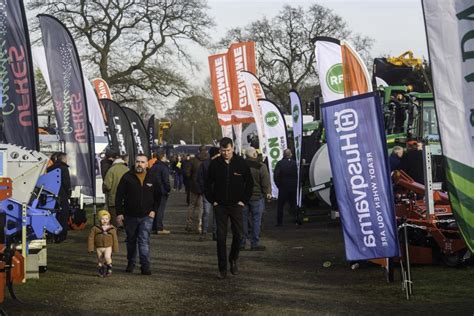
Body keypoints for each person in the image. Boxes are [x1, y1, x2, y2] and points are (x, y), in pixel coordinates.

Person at [205, 137, 253, 279]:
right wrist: (212, 200)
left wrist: (243, 200)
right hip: (220, 205)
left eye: (228, 150)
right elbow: (207, 184)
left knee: (239, 235)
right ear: (220, 150)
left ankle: (233, 258)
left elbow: (249, 183)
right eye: (223, 150)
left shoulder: (241, 163)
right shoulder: (215, 164)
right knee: (220, 237)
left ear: (233, 148)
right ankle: (222, 268)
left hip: (236, 205)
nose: (226, 153)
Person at [115, 154, 161, 275]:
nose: (139, 164)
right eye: (137, 162)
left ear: (147, 164)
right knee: (131, 241)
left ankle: (145, 266)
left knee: (144, 240)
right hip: (130, 216)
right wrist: (119, 213)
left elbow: (158, 196)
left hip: (147, 216)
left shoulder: (153, 177)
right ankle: (131, 263)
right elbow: (119, 196)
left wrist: (154, 210)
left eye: (142, 162)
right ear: (134, 163)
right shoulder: (127, 177)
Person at [241, 147, 271, 251]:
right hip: (257, 197)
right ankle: (255, 243)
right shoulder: (261, 166)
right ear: (254, 155)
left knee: (243, 220)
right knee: (256, 220)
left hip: (243, 197)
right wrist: (268, 193)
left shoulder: (241, 165)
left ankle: (242, 243)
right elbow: (265, 182)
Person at [47, 152, 72, 243]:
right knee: (63, 216)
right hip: (62, 196)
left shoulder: (49, 169)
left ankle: (51, 235)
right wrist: (69, 193)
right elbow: (66, 182)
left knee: (52, 216)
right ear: (62, 159)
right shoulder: (64, 168)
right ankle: (61, 236)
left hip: (51, 196)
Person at [87, 210, 119, 277]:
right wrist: (90, 247)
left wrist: (115, 248)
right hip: (99, 247)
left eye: (106, 219)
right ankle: (101, 270)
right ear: (99, 219)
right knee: (100, 259)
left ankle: (109, 267)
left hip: (108, 246)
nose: (105, 220)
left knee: (107, 257)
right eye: (102, 219)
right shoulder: (95, 228)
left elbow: (115, 239)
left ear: (109, 219)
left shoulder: (112, 229)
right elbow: (91, 238)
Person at [185, 146, 209, 233]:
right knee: (201, 208)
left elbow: (187, 173)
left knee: (191, 206)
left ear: (198, 151)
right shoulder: (208, 161)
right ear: (206, 151)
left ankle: (189, 224)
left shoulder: (193, 160)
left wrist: (191, 179)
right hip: (204, 186)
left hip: (194, 186)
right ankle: (199, 226)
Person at [198, 147, 220, 241]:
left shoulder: (220, 163)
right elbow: (200, 177)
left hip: (216, 192)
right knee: (208, 213)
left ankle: (213, 233)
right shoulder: (206, 164)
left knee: (212, 213)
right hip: (209, 192)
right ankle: (205, 232)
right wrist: (204, 189)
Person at [273, 149, 298, 226]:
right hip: (293, 187)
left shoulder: (280, 163)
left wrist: (278, 185)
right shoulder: (295, 163)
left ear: (283, 155)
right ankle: (296, 220)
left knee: (280, 205)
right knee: (294, 204)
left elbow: (276, 175)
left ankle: (279, 222)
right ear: (291, 154)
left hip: (283, 187)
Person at [149, 151, 171, 235]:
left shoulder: (153, 167)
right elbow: (166, 180)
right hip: (162, 191)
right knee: (160, 210)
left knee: (155, 209)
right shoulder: (163, 167)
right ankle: (159, 227)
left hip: (153, 190)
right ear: (163, 157)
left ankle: (154, 227)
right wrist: (167, 189)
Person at [103, 154, 129, 226]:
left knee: (114, 222)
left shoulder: (111, 170)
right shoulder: (127, 169)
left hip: (113, 199)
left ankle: (114, 235)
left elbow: (107, 185)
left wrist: (104, 190)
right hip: (126, 199)